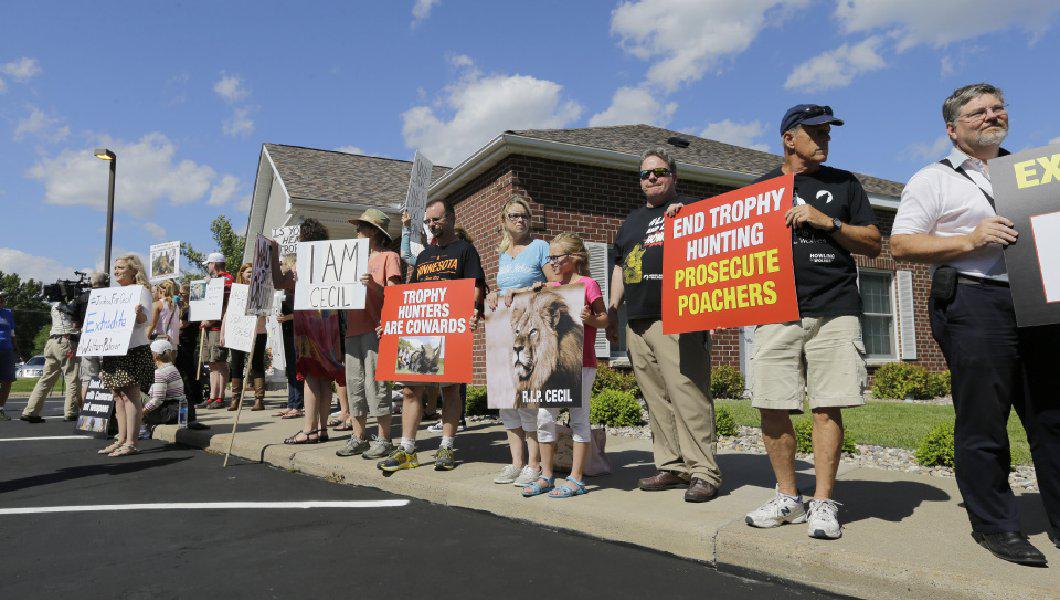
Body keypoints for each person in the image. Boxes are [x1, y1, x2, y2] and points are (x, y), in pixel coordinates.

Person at [891, 83, 1059, 565]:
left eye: (997, 107)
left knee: (1051, 416)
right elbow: (901, 245)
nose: (991, 116)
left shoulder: (1032, 173)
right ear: (953, 128)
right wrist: (970, 238)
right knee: (984, 418)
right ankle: (996, 526)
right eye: (978, 112)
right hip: (975, 300)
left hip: (1039, 302)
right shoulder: (933, 179)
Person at [728, 105, 880, 540]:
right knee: (771, 403)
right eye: (815, 132)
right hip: (775, 311)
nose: (824, 139)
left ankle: (823, 501)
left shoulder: (844, 184)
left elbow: (873, 242)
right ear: (789, 139)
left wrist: (826, 221)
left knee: (827, 405)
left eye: (828, 133)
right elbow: (722, 243)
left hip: (834, 309)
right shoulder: (759, 191)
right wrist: (684, 219)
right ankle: (788, 496)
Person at [606, 147, 720, 503]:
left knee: (688, 395)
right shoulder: (630, 222)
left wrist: (713, 308)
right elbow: (620, 267)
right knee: (656, 399)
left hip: (678, 318)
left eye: (659, 171)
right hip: (637, 322)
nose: (652, 177)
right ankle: (672, 465)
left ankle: (704, 471)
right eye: (645, 174)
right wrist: (612, 308)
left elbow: (716, 253)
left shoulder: (692, 210)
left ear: (674, 176)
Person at [377, 198, 487, 473]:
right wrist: (391, 324)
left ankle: (447, 446)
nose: (431, 224)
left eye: (436, 219)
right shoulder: (425, 255)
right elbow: (411, 296)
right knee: (410, 389)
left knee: (450, 390)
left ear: (451, 218)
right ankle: (407, 450)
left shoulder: (465, 250)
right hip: (422, 330)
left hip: (451, 330)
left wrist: (473, 310)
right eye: (428, 221)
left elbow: (476, 286)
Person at [520, 233, 607, 498]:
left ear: (574, 257)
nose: (552, 262)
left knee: (579, 418)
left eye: (557, 257)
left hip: (583, 364)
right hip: (552, 369)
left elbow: (605, 319)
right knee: (545, 417)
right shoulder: (551, 287)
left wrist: (590, 319)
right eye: (550, 257)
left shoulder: (588, 284)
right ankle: (546, 475)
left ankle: (576, 478)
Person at [485, 196, 552, 486]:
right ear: (504, 221)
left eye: (524, 215)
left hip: (529, 333)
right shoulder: (502, 253)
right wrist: (493, 294)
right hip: (504, 331)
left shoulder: (540, 247)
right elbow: (503, 290)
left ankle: (533, 464)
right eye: (514, 215)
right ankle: (516, 462)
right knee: (506, 399)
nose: (520, 220)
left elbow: (554, 285)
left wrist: (530, 289)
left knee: (527, 398)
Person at [270, 218, 344, 444]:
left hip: (309, 327)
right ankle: (322, 429)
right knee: (324, 379)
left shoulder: (300, 265)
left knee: (311, 377)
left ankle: (309, 430)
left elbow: (279, 282)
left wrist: (274, 254)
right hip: (330, 325)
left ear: (303, 239)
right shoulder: (334, 262)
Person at [336, 209, 402, 460]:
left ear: (375, 231)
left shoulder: (389, 257)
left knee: (377, 385)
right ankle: (358, 437)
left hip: (376, 328)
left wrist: (372, 285)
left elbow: (395, 295)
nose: (357, 231)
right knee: (354, 384)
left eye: (362, 226)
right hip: (352, 329)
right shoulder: (351, 259)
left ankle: (384, 439)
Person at [96, 254, 154, 457]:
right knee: (118, 395)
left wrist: (138, 314)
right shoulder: (114, 294)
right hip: (114, 349)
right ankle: (121, 439)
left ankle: (131, 442)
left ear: (133, 271)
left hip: (133, 349)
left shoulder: (141, 291)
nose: (116, 271)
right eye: (116, 268)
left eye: (121, 268)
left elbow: (146, 321)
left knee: (130, 395)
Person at [23, 282, 84, 423]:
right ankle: (71, 412)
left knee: (46, 379)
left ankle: (31, 411)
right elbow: (77, 320)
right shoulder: (70, 305)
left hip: (51, 342)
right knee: (72, 377)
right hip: (66, 341)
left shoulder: (54, 306)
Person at [223, 262, 267, 411]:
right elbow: (228, 313)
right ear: (242, 274)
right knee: (236, 364)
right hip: (237, 332)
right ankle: (235, 399)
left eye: (253, 272)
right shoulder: (236, 291)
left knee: (257, 364)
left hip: (258, 332)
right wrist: (223, 332)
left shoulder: (261, 290)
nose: (251, 274)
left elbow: (266, 312)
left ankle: (259, 400)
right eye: (248, 272)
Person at [199, 252, 234, 409]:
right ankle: (212, 395)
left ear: (214, 264)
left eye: (209, 264)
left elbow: (225, 304)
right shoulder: (214, 280)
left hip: (218, 327)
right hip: (208, 326)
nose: (208, 267)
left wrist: (212, 320)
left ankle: (220, 396)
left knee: (219, 362)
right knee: (212, 363)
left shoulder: (227, 279)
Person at [273, 261, 305, 420]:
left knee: (297, 368)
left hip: (297, 332)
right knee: (290, 368)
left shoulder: (300, 290)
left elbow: (303, 312)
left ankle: (298, 405)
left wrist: (287, 318)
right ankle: (291, 403)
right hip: (286, 331)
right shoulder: (284, 291)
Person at [78, 273, 109, 405]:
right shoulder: (111, 296)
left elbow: (74, 323)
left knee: (87, 379)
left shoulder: (81, 298)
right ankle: (105, 411)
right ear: (106, 283)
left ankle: (85, 411)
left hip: (87, 340)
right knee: (106, 376)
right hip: (106, 341)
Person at [142, 338, 184, 428]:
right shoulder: (173, 368)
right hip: (177, 409)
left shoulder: (160, 372)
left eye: (150, 352)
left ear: (156, 355)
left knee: (135, 394)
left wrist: (142, 412)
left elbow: (157, 400)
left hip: (167, 412)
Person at [148, 280, 181, 346]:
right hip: (174, 341)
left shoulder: (157, 304)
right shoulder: (176, 305)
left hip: (160, 341)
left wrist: (146, 337)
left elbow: (153, 325)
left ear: (160, 291)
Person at [0, 291, 16, 421]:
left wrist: (16, 349)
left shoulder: (8, 313)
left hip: (7, 349)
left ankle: (0, 409)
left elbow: (12, 333)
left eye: (2, 299)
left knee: (7, 381)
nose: (1, 301)